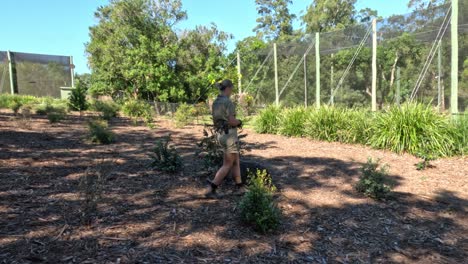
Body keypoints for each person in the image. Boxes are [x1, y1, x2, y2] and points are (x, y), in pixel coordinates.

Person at [204, 79, 244, 198]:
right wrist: (239, 122)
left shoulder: (216, 101)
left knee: (235, 160)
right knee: (227, 164)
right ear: (228, 88)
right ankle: (212, 188)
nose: (232, 91)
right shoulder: (228, 102)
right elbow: (232, 121)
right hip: (229, 136)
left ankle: (240, 187)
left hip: (221, 134)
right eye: (231, 89)